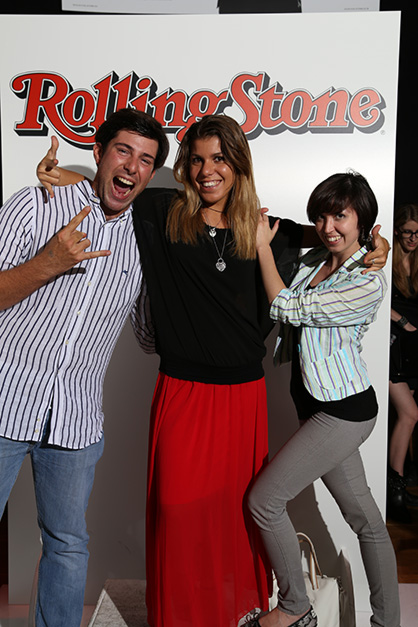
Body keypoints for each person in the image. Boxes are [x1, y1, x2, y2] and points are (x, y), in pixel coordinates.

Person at [37, 119, 389, 627]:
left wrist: (377, 247)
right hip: (182, 392)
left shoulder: (268, 231)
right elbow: (114, 189)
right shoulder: (162, 212)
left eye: (220, 158)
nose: (208, 170)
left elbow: (332, 236)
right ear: (185, 166)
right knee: (178, 512)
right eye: (198, 159)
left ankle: (236, 614)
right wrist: (61, 176)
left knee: (234, 517)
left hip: (243, 397)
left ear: (238, 164)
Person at [0, 108, 169, 627]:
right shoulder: (38, 203)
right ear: (98, 152)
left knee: (68, 545)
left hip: (75, 420)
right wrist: (48, 263)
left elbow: (147, 336)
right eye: (123, 151)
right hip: (5, 402)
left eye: (146, 160)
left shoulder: (144, 239)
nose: (132, 167)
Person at [247, 172, 400, 627]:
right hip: (318, 406)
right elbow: (294, 236)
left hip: (343, 412)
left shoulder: (367, 281)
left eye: (340, 217)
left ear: (362, 220)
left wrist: (261, 249)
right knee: (366, 521)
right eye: (321, 216)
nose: (328, 227)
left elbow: (288, 307)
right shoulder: (317, 259)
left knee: (264, 501)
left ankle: (294, 608)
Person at [387, 203, 418, 523]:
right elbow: (380, 298)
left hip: (413, 350)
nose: (413, 239)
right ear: (397, 231)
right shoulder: (388, 259)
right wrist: (402, 321)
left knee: (404, 417)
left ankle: (399, 484)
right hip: (392, 346)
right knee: (409, 414)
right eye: (408, 232)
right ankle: (394, 489)